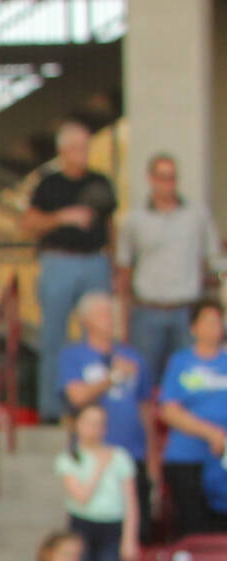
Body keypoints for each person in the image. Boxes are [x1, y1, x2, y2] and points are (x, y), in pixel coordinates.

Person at [21, 118, 117, 423]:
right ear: (63, 150)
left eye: (86, 146)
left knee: (100, 335)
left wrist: (115, 265)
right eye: (76, 147)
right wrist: (63, 217)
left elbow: (111, 226)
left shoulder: (101, 182)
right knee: (53, 337)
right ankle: (51, 409)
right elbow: (28, 225)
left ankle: (99, 406)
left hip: (95, 262)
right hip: (59, 262)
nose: (82, 152)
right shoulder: (48, 184)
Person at [114, 153, 216, 404]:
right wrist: (122, 317)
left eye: (172, 178)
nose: (168, 184)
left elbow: (211, 259)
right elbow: (124, 268)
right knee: (144, 385)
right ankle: (148, 442)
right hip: (148, 311)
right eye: (162, 177)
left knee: (191, 382)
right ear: (151, 179)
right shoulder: (134, 219)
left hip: (186, 311)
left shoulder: (197, 215)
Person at [58, 293, 150, 527]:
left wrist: (153, 457)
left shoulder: (132, 356)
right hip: (91, 456)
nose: (110, 319)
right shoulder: (73, 355)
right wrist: (113, 377)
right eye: (103, 314)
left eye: (112, 313)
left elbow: (145, 407)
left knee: (138, 526)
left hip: (133, 452)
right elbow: (76, 396)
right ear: (85, 320)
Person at [156, 298, 227, 535]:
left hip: (222, 462)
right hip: (187, 458)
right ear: (193, 328)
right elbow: (169, 410)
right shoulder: (180, 362)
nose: (214, 327)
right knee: (193, 527)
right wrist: (211, 433)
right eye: (207, 321)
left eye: (218, 321)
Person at [56, 401, 138, 561]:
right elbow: (81, 497)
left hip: (112, 524)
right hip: (82, 524)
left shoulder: (120, 456)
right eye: (89, 423)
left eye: (99, 423)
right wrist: (99, 468)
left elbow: (131, 502)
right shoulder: (68, 458)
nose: (94, 429)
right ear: (77, 425)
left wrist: (129, 539)